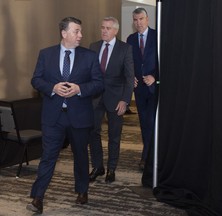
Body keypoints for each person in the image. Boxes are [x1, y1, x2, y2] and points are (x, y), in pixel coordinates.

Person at [26, 17, 104, 214]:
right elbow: (36, 80)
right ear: (64, 33)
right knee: (48, 157)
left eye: (80, 31)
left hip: (80, 116)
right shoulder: (46, 54)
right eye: (77, 31)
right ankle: (37, 198)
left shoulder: (90, 56)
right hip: (54, 117)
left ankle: (82, 190)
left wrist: (79, 89)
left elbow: (98, 84)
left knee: (80, 155)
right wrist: (52, 87)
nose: (81, 35)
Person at [88, 17, 134, 183]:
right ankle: (98, 167)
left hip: (116, 99)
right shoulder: (93, 47)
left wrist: (125, 100)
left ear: (115, 31)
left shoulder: (125, 49)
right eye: (102, 27)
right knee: (93, 132)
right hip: (95, 98)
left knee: (114, 136)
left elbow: (130, 78)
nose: (104, 31)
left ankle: (111, 169)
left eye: (108, 28)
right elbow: (89, 73)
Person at [127, 8, 159, 171]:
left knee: (152, 123)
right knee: (144, 123)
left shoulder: (157, 35)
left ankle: (146, 157)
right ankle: (148, 155)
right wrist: (130, 75)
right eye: (135, 20)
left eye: (141, 19)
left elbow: (164, 60)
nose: (138, 23)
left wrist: (155, 76)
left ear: (147, 19)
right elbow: (129, 62)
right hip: (138, 89)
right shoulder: (131, 39)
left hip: (154, 88)